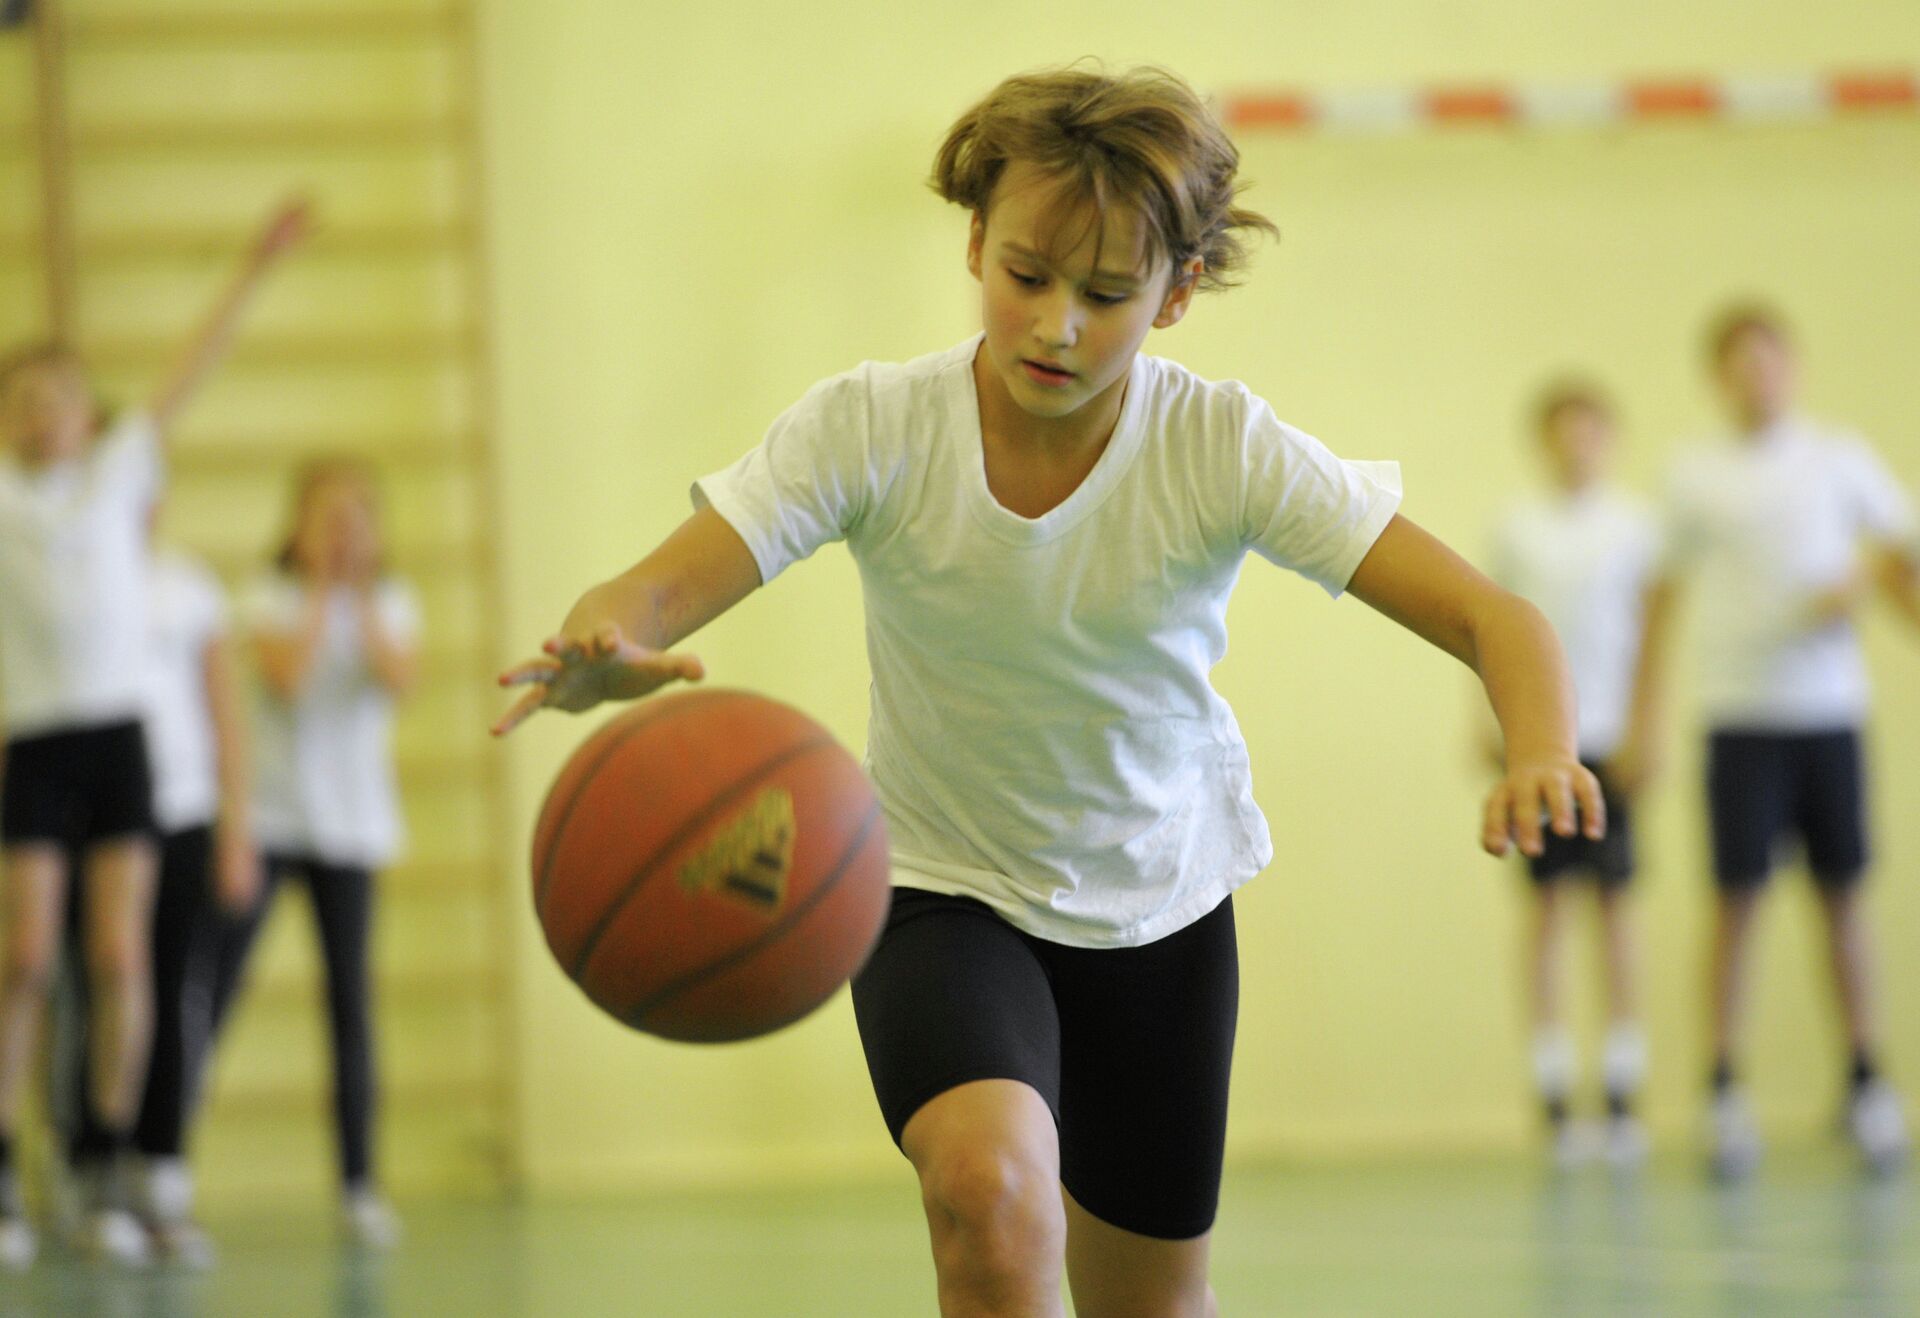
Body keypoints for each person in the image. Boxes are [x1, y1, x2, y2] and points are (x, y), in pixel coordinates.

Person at [495, 66, 1603, 1318]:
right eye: (1026, 275)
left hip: (1160, 908)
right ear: (976, 240)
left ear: (1177, 297)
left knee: (1150, 1302)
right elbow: (648, 593)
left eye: (1108, 294)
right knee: (992, 1197)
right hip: (937, 890)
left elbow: (1489, 611)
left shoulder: (1220, 447)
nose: (1056, 324)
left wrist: (1542, 746)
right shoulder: (874, 427)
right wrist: (601, 643)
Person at [0, 199, 307, 1270]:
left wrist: (253, 265)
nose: (44, 417)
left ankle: (108, 1165)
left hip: (118, 745)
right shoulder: (3, 499)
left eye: (60, 400)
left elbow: (192, 364)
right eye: (23, 402)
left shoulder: (118, 474)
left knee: (121, 956)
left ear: (90, 415)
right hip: (35, 746)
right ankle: (7, 1168)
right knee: (28, 959)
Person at [1632, 304, 1919, 1180]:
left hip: (1828, 717)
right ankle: (1722, 1088)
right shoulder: (1691, 476)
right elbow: (1660, 603)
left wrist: (1868, 578)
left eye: (1769, 361)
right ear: (1719, 375)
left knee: (1842, 899)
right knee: (1738, 902)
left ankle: (1867, 1082)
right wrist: (1645, 719)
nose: (1756, 376)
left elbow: (1902, 561)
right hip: (1738, 720)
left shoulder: (1839, 460)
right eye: (1738, 364)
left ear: (1790, 367)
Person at [207, 458, 418, 1248]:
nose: (341, 534)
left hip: (353, 830)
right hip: (269, 824)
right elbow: (289, 678)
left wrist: (360, 597)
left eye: (356, 521)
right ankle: (161, 1166)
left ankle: (359, 1185)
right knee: (216, 985)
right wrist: (325, 589)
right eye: (326, 520)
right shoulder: (267, 598)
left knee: (350, 1005)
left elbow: (400, 678)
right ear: (295, 525)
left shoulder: (394, 603)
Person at [57, 525, 258, 1267]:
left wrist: (238, 827)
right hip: (97, 819)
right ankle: (90, 1163)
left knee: (174, 992)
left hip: (181, 811)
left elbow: (225, 714)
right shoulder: (64, 580)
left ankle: (160, 1166)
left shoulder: (188, 585)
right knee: (99, 983)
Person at [1483, 382, 1659, 1169]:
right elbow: (1491, 628)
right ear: (1544, 440)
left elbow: (1655, 639)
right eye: (1563, 432)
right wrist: (1500, 728)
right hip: (1541, 745)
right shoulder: (1517, 530)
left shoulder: (1637, 528)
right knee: (1547, 911)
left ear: (1607, 437)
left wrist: (1649, 730)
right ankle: (1554, 1098)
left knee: (1615, 913)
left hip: (1613, 743)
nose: (1576, 445)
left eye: (1590, 431)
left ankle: (1621, 1095)